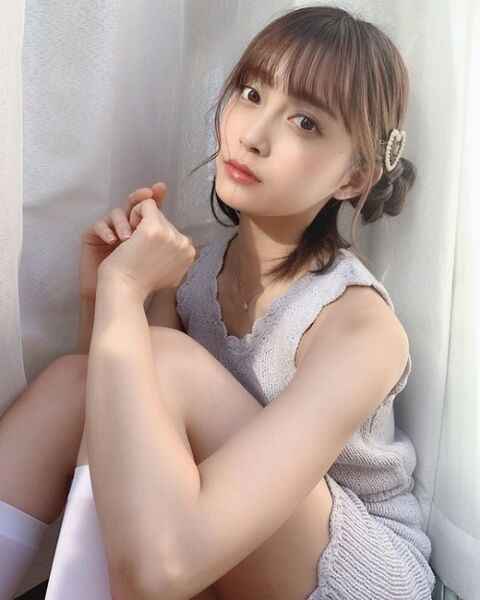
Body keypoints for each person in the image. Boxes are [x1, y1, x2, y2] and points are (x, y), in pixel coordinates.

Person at [0, 4, 435, 599]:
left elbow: (157, 576)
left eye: (305, 122)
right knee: (75, 383)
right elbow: (109, 431)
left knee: (158, 356)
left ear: (353, 177)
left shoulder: (359, 327)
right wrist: (101, 297)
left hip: (348, 576)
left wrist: (126, 296)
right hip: (210, 544)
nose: (252, 135)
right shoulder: (197, 274)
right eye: (252, 93)